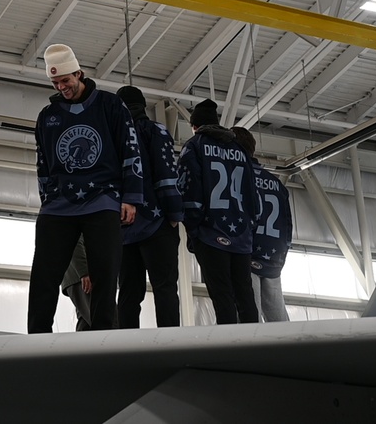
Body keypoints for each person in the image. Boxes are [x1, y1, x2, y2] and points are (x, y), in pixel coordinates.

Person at [27, 44, 143, 333]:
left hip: (102, 200)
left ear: (79, 73)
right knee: (43, 275)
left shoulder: (110, 105)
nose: (61, 87)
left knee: (105, 275)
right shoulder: (48, 115)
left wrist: (131, 197)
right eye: (55, 83)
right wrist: (47, 199)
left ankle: (105, 337)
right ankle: (37, 337)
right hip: (58, 205)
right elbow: (42, 163)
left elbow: (130, 150)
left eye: (66, 80)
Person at [176, 99, 260, 324]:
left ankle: (230, 348)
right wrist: (248, 227)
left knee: (221, 294)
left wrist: (194, 229)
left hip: (211, 233)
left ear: (195, 126)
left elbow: (188, 187)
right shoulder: (241, 151)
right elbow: (253, 195)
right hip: (241, 235)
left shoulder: (194, 146)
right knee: (245, 294)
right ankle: (255, 345)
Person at [115, 86, 184, 328]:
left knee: (128, 293)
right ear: (142, 105)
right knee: (165, 288)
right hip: (156, 224)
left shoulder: (113, 135)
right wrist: (175, 215)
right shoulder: (154, 130)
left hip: (123, 227)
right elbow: (166, 176)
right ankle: (169, 345)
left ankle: (125, 349)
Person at [231, 127, 292, 322]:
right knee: (278, 318)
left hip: (248, 252)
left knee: (249, 316)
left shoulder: (239, 177)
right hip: (273, 255)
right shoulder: (277, 185)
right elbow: (287, 225)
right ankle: (295, 351)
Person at [61, 238, 92, 331]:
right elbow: (75, 240)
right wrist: (84, 271)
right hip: (82, 276)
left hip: (78, 275)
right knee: (108, 321)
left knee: (86, 324)